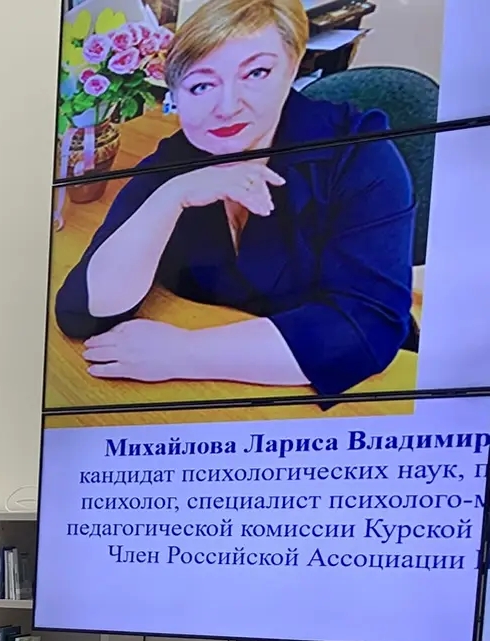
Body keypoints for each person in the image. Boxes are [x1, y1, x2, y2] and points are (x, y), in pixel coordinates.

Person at [54, 0, 416, 397]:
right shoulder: (173, 161)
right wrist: (172, 196)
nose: (227, 108)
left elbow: (367, 324)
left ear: (293, 66)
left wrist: (185, 353)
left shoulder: (360, 153)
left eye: (257, 73)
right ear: (175, 94)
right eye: (201, 85)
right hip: (223, 393)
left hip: (337, 398)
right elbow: (84, 312)